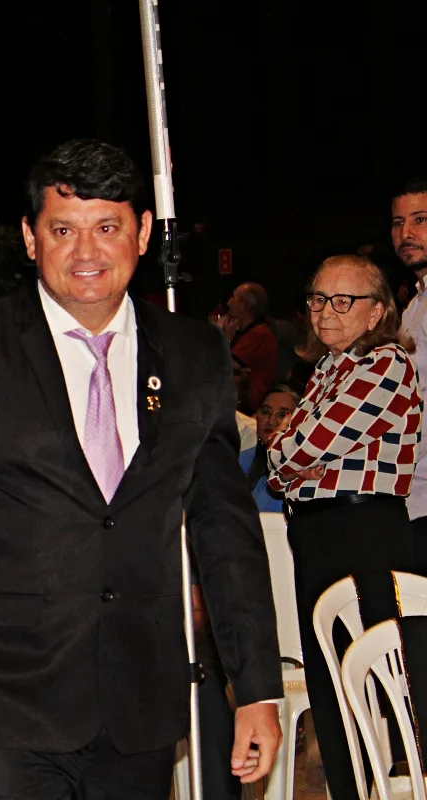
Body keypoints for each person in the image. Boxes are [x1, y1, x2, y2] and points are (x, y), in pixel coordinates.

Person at [0, 139, 283, 799]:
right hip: (0, 699)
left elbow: (224, 529)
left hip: (139, 700)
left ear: (143, 233)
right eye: (63, 230)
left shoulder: (195, 355)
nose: (86, 251)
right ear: (30, 237)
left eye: (108, 228)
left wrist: (258, 688)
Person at [267, 255, 421, 800]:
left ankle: (402, 785)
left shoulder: (385, 364)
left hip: (363, 529)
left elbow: (295, 448)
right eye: (317, 299)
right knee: (329, 683)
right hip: (317, 531)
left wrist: (292, 453)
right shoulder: (328, 369)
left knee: (380, 680)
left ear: (377, 311)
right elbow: (279, 468)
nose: (325, 312)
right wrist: (291, 454)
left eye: (342, 300)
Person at [393, 176, 427, 574]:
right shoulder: (414, 304)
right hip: (412, 497)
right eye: (398, 222)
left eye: (420, 220)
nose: (406, 233)